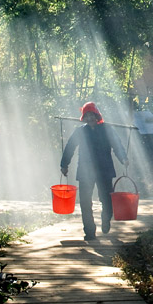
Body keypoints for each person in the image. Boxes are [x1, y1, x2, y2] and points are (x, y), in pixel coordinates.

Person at [60, 102, 129, 240]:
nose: (90, 118)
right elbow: (70, 147)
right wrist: (64, 164)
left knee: (107, 200)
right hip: (85, 171)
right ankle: (89, 231)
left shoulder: (106, 129)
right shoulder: (80, 131)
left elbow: (117, 144)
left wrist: (123, 158)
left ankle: (105, 219)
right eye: (87, 115)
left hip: (104, 170)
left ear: (97, 116)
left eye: (92, 115)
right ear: (84, 118)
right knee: (85, 202)